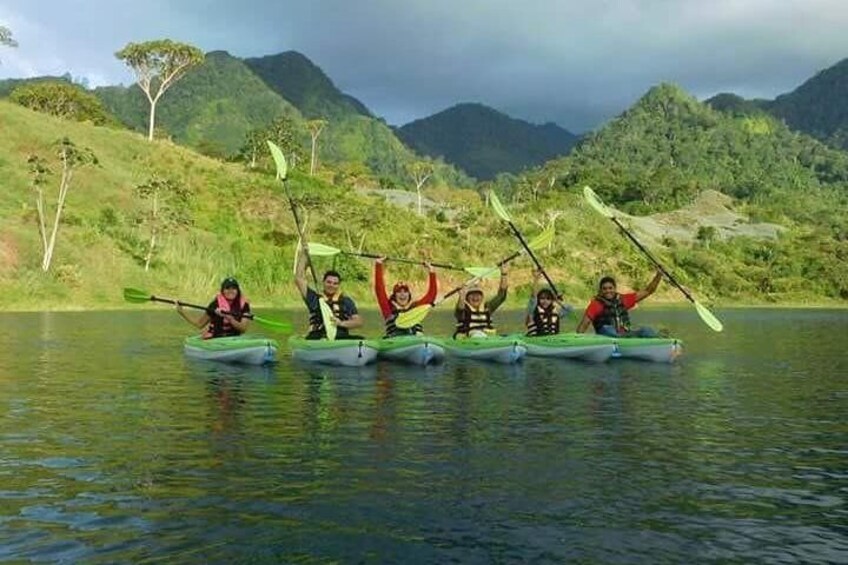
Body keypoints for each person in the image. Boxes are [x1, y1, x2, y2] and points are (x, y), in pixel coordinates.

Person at [295, 239, 364, 340]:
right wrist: (304, 255)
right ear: (323, 282)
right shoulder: (313, 298)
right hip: (318, 336)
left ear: (339, 285)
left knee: (361, 339)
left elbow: (358, 321)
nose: (332, 285)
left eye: (335, 283)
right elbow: (299, 278)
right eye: (329, 282)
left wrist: (341, 323)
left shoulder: (346, 301)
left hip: (340, 336)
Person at [576, 271, 663, 337]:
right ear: (601, 291)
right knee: (608, 329)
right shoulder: (596, 304)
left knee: (646, 330)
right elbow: (584, 324)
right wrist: (577, 338)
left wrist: (659, 275)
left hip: (625, 335)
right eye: (604, 289)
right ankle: (621, 339)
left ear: (615, 288)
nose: (608, 291)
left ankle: (660, 341)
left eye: (610, 288)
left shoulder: (623, 299)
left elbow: (648, 291)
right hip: (606, 337)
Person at [374, 257, 438, 337]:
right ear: (394, 296)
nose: (402, 294)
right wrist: (378, 264)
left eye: (405, 292)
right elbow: (379, 290)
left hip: (418, 342)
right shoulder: (388, 309)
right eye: (399, 292)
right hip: (396, 342)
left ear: (409, 295)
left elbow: (431, 295)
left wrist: (432, 271)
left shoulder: (416, 307)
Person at [177, 277, 251, 338]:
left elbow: (243, 329)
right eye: (227, 288)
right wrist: (182, 312)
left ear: (238, 291)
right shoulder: (215, 304)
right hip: (215, 338)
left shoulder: (244, 305)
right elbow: (199, 324)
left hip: (234, 338)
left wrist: (229, 318)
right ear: (223, 291)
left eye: (234, 288)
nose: (231, 291)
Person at [454, 265, 509, 338]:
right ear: (467, 298)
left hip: (487, 338)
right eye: (472, 295)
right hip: (469, 339)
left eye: (478, 294)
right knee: (477, 335)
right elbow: (460, 309)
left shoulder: (487, 307)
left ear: (482, 297)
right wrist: (461, 296)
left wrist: (504, 274)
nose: (475, 297)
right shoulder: (464, 310)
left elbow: (501, 296)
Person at [525, 269, 574, 337]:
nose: (545, 301)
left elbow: (569, 309)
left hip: (552, 341)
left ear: (551, 300)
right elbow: (533, 296)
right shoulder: (533, 310)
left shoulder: (556, 313)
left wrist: (557, 301)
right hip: (537, 340)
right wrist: (536, 279)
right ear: (538, 300)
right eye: (542, 298)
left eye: (548, 299)